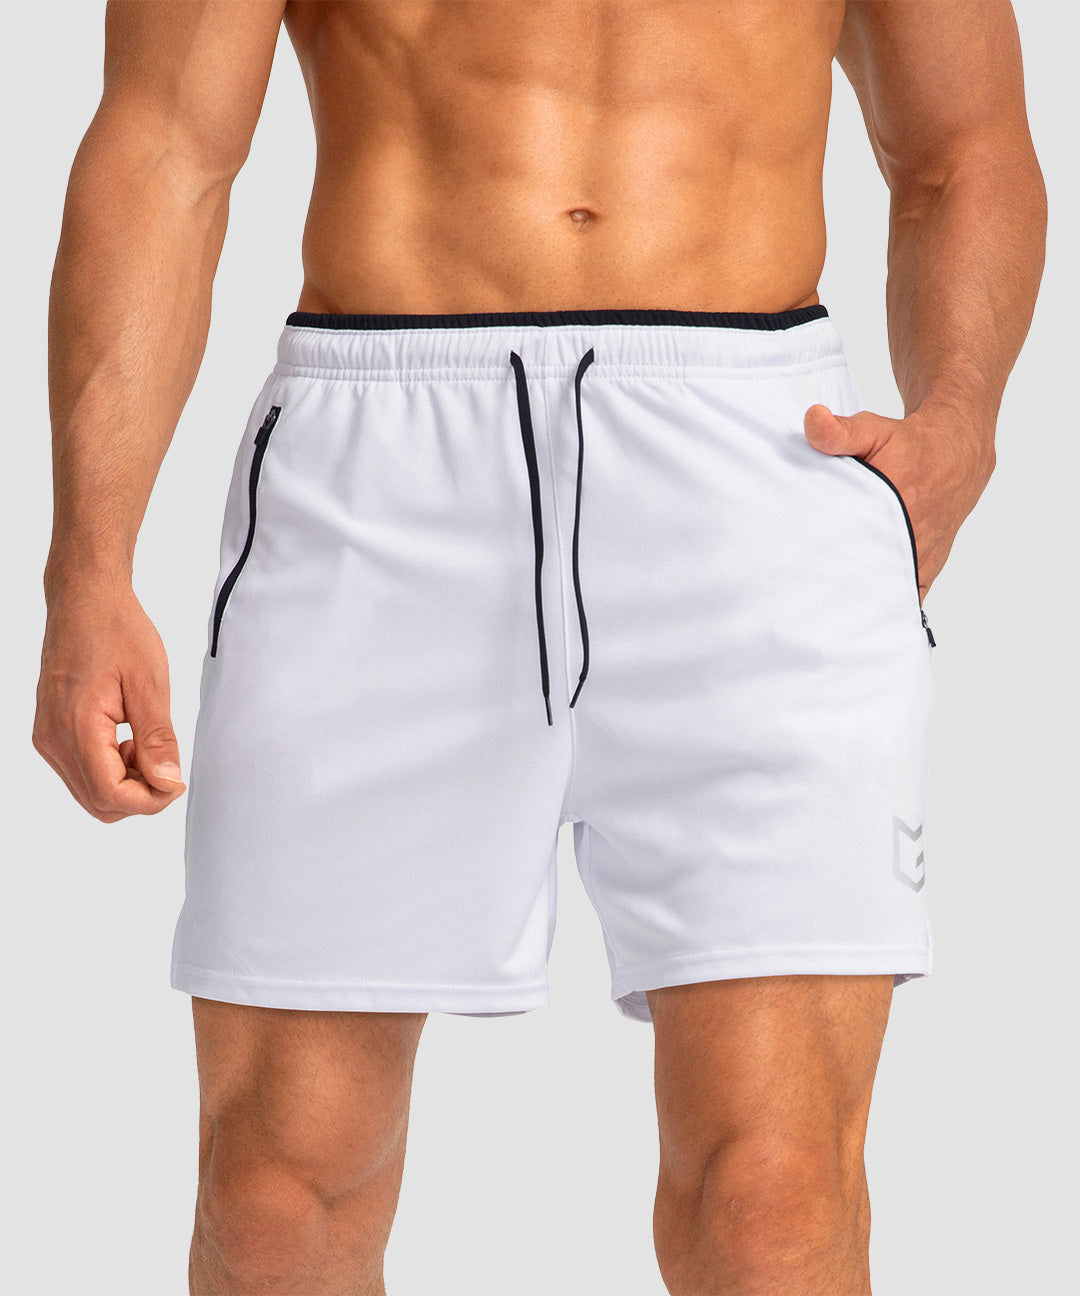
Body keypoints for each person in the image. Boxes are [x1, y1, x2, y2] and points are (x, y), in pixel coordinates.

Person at [33, 2, 1045, 1293]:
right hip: (379, 472)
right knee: (279, 1194)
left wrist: (962, 418)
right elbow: (166, 148)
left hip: (756, 465)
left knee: (773, 1202)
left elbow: (962, 147)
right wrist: (90, 567)